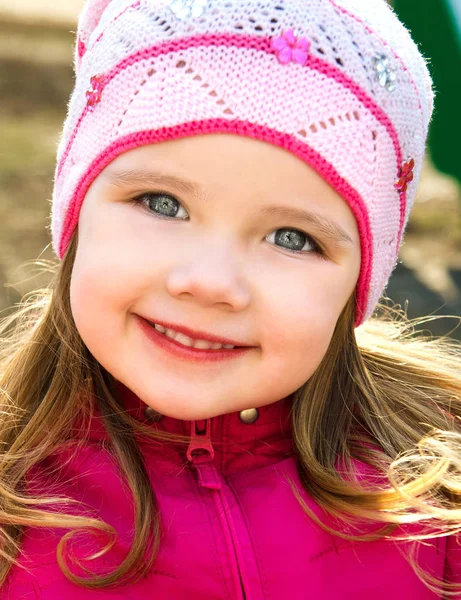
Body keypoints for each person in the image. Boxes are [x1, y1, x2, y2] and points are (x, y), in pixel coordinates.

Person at [1, 0, 460, 597]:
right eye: (162, 204)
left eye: (292, 238)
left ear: (356, 285)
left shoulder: (436, 498)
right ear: (76, 211)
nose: (211, 281)